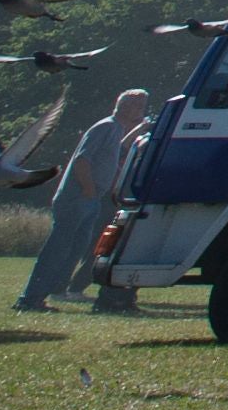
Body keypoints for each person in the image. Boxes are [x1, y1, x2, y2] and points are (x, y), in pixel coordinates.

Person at [17, 89, 153, 316]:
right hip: (79, 198)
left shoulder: (114, 129)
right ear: (128, 107)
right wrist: (89, 190)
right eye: (140, 106)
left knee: (75, 249)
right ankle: (30, 298)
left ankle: (52, 292)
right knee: (58, 249)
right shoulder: (106, 127)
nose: (142, 111)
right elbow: (82, 159)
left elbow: (121, 149)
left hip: (91, 199)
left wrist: (141, 130)